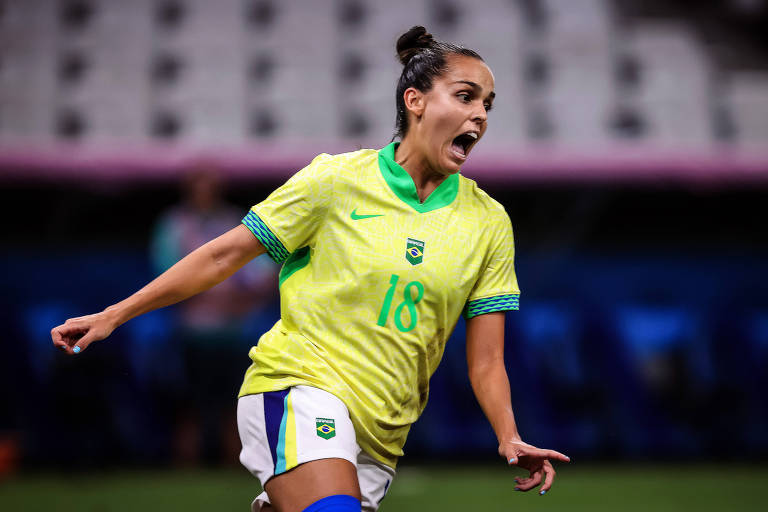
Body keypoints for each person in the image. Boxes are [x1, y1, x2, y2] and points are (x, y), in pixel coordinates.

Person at [51, 26, 570, 512]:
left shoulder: (488, 221)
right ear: (415, 101)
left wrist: (508, 435)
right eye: (465, 96)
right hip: (297, 386)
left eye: (488, 104)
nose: (480, 114)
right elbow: (222, 255)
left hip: (382, 434)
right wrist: (115, 315)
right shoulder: (336, 180)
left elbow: (486, 359)